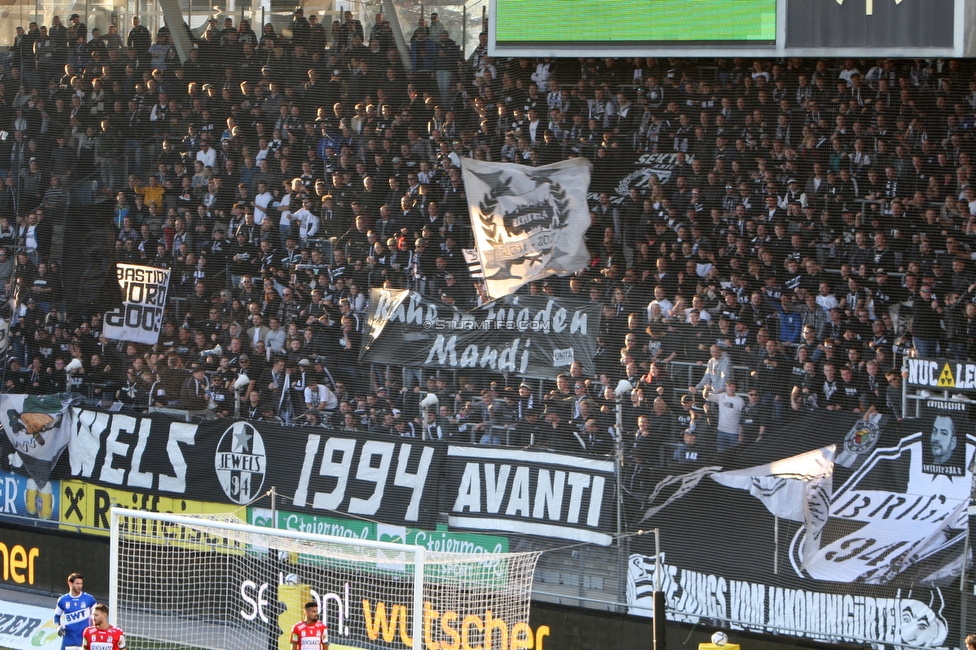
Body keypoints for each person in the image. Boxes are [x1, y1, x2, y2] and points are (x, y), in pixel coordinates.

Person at [55, 573, 97, 650]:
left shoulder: (89, 599)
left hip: (84, 639)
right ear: (70, 583)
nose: (79, 586)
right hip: (68, 639)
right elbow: (57, 616)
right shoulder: (62, 600)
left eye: (81, 584)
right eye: (77, 583)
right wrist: (58, 626)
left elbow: (97, 616)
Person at [704, 380, 744, 451]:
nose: (731, 388)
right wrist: (706, 389)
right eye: (729, 386)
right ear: (725, 387)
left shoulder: (740, 401)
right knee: (721, 453)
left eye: (733, 387)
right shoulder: (721, 397)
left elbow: (742, 418)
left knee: (734, 453)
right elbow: (706, 396)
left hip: (734, 432)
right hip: (721, 431)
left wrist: (740, 435)